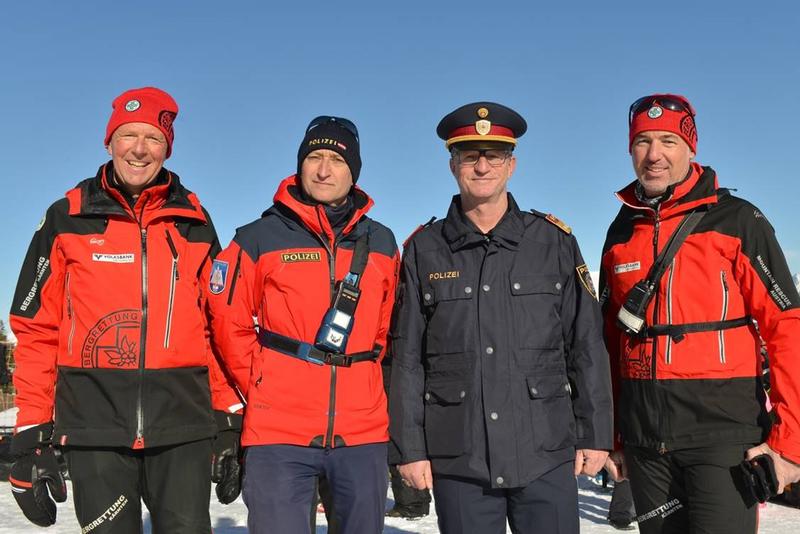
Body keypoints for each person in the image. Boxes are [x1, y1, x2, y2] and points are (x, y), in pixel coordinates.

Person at [7, 87, 243, 533]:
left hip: (183, 427)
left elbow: (215, 326)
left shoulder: (193, 222)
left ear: (167, 148)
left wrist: (228, 416)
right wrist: (31, 431)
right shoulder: (66, 218)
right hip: (94, 427)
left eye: (153, 138)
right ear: (109, 141)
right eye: (128, 135)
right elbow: (37, 329)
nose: (139, 149)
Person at [388, 101, 614, 534]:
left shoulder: (553, 242)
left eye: (493, 155)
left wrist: (596, 432)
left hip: (545, 451)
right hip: (460, 454)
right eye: (470, 155)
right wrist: (410, 448)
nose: (482, 166)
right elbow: (408, 359)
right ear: (453, 164)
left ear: (511, 165)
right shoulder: (424, 249)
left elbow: (585, 344)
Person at [600, 93, 800, 533]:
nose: (654, 155)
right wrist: (613, 437)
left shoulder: (737, 221)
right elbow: (610, 342)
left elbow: (787, 327)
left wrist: (788, 445)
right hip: (645, 442)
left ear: (691, 147)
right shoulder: (620, 230)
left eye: (668, 141)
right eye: (643, 142)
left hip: (722, 437)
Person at [207, 115, 399, 533]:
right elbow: (226, 322)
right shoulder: (258, 237)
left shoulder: (382, 242)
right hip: (279, 431)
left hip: (362, 433)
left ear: (355, 171)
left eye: (337, 159)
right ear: (300, 164)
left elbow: (384, 332)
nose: (324, 169)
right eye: (315, 157)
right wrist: (264, 383)